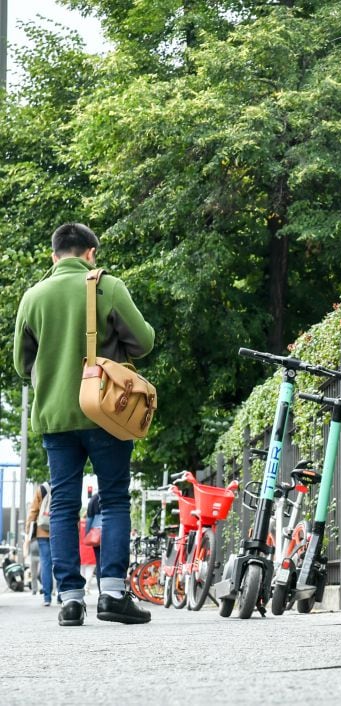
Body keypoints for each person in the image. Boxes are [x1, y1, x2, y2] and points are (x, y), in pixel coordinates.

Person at [13, 223, 156, 627]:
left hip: (55, 416)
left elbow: (21, 365)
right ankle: (112, 594)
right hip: (105, 411)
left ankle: (70, 600)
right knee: (114, 499)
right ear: (91, 253)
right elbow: (143, 342)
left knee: (62, 504)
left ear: (54, 255)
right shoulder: (107, 286)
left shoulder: (33, 296)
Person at [24, 481, 54, 606]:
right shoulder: (63, 486)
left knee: (46, 564)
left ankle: (47, 597)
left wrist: (28, 529)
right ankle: (62, 596)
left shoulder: (41, 489)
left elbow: (33, 511)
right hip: (59, 531)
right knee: (61, 562)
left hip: (42, 531)